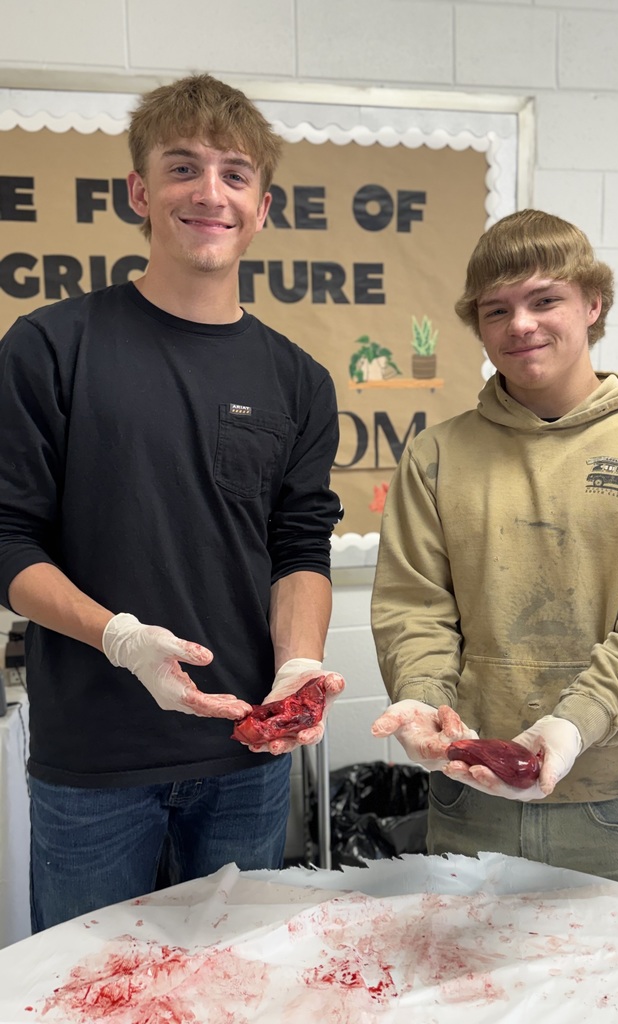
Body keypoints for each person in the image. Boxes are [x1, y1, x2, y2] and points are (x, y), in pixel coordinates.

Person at [0, 74, 345, 931]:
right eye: (183, 167)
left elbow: (300, 548)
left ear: (262, 207)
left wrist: (298, 666)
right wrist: (119, 638)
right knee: (89, 988)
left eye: (235, 174)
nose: (210, 193)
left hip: (246, 758)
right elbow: (7, 542)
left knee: (234, 983)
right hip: (95, 763)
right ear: (139, 191)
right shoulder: (51, 346)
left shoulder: (299, 380)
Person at [370, 209, 618, 892]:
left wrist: (572, 727)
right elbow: (415, 609)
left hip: (609, 798)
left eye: (544, 300)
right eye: (496, 309)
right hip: (467, 789)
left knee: (608, 966)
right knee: (464, 962)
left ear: (593, 304)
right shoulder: (436, 455)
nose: (520, 324)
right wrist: (424, 700)